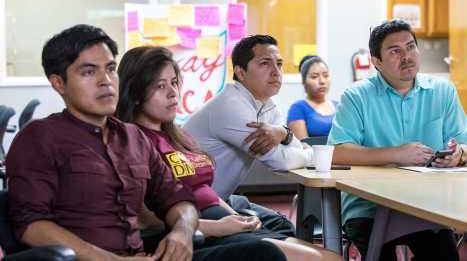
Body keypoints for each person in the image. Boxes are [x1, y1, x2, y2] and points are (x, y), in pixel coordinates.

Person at [6, 24, 287, 261]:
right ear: (58, 83)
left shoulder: (132, 137)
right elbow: (32, 226)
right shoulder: (40, 138)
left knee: (263, 253)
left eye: (111, 68)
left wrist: (182, 230)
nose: (106, 81)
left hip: (149, 253)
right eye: (89, 72)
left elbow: (178, 200)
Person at [116, 45, 341, 261]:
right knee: (322, 258)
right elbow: (146, 220)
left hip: (216, 216)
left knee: (320, 251)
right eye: (160, 86)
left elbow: (204, 190)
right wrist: (218, 226)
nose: (173, 93)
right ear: (136, 93)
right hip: (194, 232)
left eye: (174, 83)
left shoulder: (178, 136)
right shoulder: (133, 141)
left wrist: (232, 215)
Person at [329, 19, 467, 261]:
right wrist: (396, 154)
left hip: (426, 204)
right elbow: (338, 151)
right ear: (377, 62)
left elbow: (466, 145)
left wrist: (457, 155)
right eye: (395, 51)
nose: (406, 56)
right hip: (369, 206)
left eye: (410, 47)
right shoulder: (356, 96)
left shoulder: (443, 91)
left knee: (445, 257)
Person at [183, 35, 313, 200]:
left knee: (278, 222)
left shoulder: (268, 106)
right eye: (265, 63)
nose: (276, 72)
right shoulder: (230, 105)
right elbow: (281, 162)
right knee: (278, 226)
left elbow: (293, 148)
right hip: (190, 205)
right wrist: (313, 156)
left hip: (220, 199)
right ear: (240, 72)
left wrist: (283, 133)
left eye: (279, 64)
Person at [287, 55, 338, 140]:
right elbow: (303, 147)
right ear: (304, 82)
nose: (322, 81)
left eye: (326, 75)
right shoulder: (298, 108)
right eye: (314, 77)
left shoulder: (340, 106)